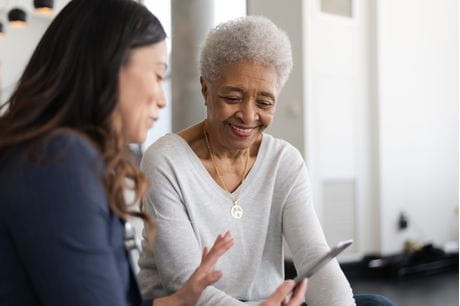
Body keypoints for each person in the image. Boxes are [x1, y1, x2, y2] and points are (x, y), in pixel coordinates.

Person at [0, 1, 307, 306]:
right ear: (109, 67)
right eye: (159, 76)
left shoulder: (54, 154)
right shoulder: (60, 160)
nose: (162, 99)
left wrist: (179, 301)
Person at [138, 16, 395, 306]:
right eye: (233, 98)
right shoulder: (166, 161)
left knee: (376, 304)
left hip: (269, 302)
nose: (248, 116)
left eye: (264, 103)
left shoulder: (284, 161)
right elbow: (184, 284)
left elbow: (314, 256)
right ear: (205, 89)